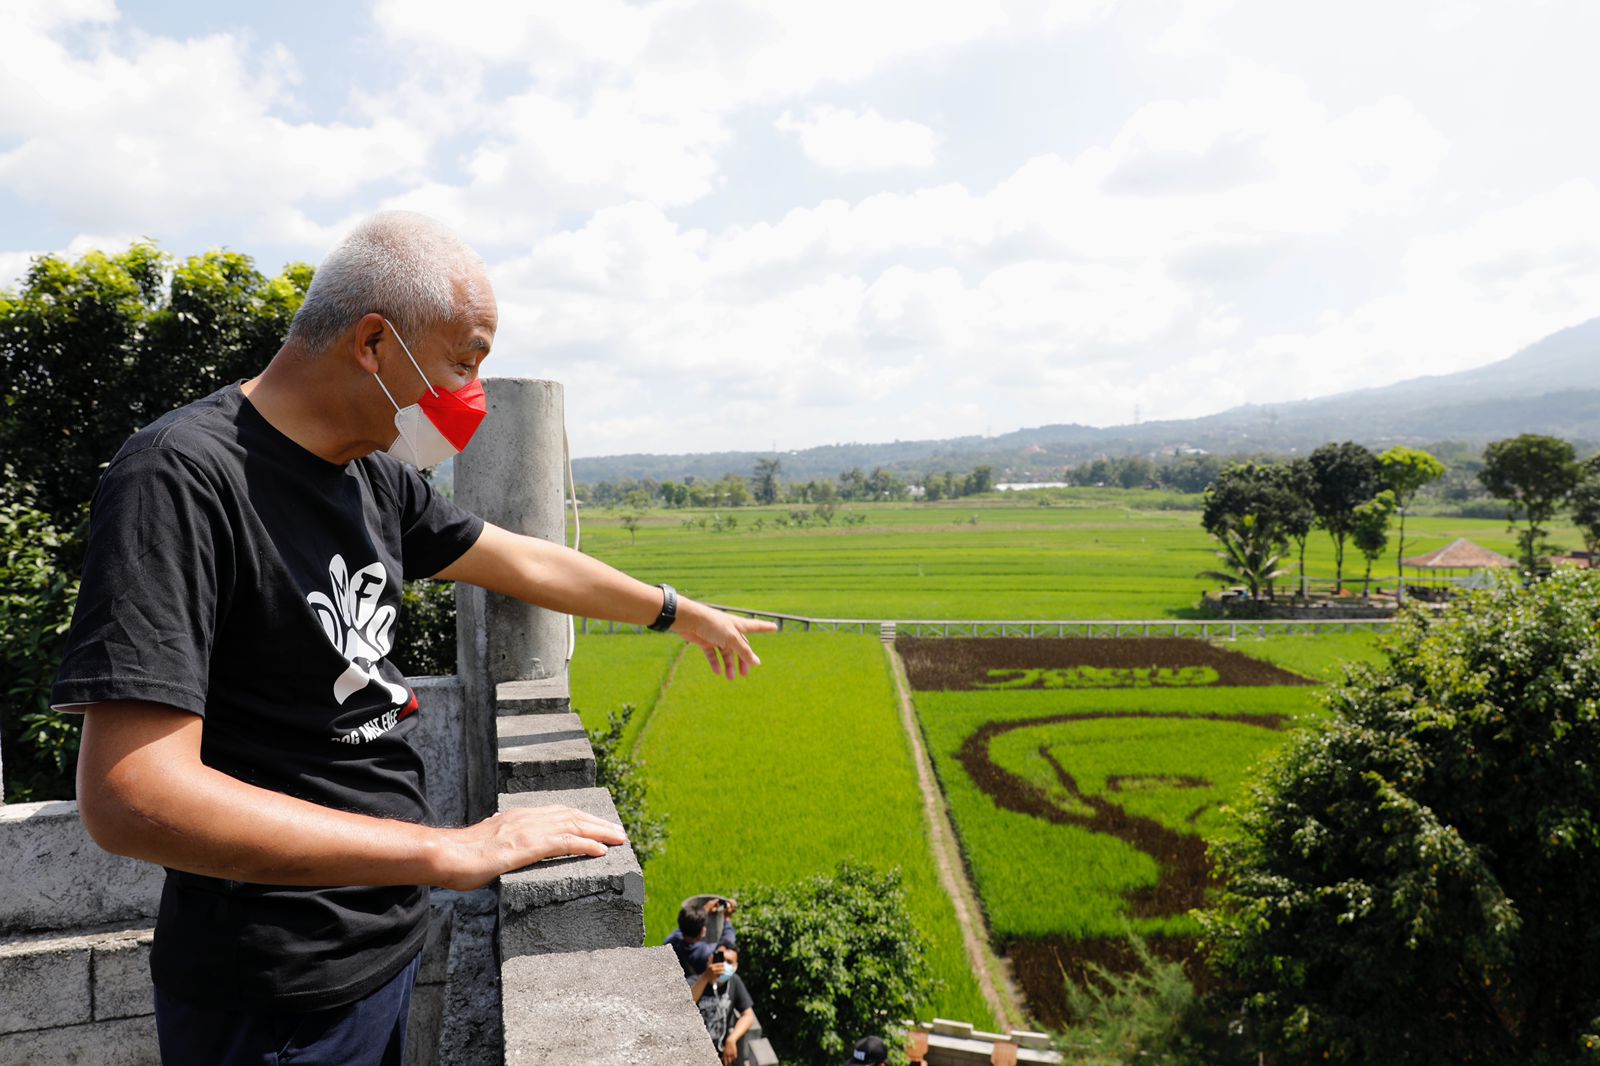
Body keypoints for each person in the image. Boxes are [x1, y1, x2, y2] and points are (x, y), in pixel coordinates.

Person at [51, 211, 776, 1066]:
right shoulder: (181, 477)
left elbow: (524, 562)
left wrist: (675, 611)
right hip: (278, 992)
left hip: (386, 942)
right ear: (373, 344)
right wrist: (449, 850)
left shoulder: (373, 475)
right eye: (465, 361)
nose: (470, 394)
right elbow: (133, 795)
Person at [690, 947, 757, 1065]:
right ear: (711, 959)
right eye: (721, 959)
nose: (724, 965)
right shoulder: (694, 981)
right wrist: (706, 977)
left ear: (735, 966)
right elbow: (687, 1004)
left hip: (719, 1053)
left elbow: (748, 1015)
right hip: (694, 1050)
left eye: (729, 962)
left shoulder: (734, 982)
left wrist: (732, 1039)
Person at [665, 898, 739, 977]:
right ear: (702, 931)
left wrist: (704, 911)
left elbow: (688, 922)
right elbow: (728, 941)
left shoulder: (670, 942)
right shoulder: (706, 953)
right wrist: (727, 919)